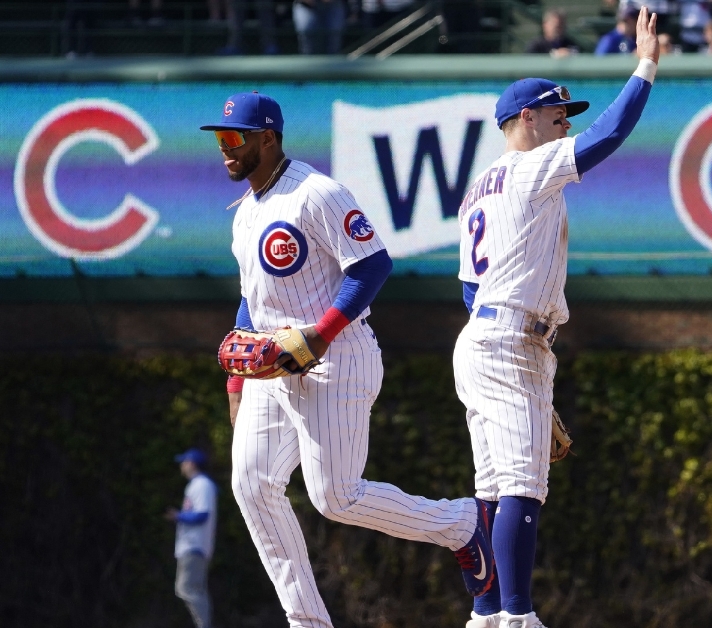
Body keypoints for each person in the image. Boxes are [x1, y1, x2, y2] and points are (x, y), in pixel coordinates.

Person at [200, 91, 496, 628]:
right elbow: (251, 300)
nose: (225, 149)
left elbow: (372, 264)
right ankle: (307, 621)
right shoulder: (245, 212)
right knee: (250, 482)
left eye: (234, 138)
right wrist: (237, 386)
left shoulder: (317, 192)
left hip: (336, 358)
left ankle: (461, 522)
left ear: (268, 138)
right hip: (273, 364)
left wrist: (321, 334)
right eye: (221, 139)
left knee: (336, 497)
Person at [454, 8, 659, 628]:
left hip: (486, 335)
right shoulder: (528, 167)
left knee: (491, 490)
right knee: (521, 486)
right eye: (555, 114)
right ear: (522, 120)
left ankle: (486, 614)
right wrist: (646, 67)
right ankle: (517, 616)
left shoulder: (478, 187)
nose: (564, 122)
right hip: (511, 340)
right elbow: (608, 136)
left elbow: (468, 287)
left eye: (565, 115)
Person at [166, 449, 218, 628]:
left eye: (184, 461)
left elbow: (202, 514)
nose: (182, 465)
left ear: (192, 464)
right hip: (192, 546)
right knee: (194, 589)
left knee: (187, 588)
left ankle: (204, 625)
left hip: (194, 546)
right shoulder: (197, 484)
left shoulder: (202, 484)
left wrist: (178, 516)